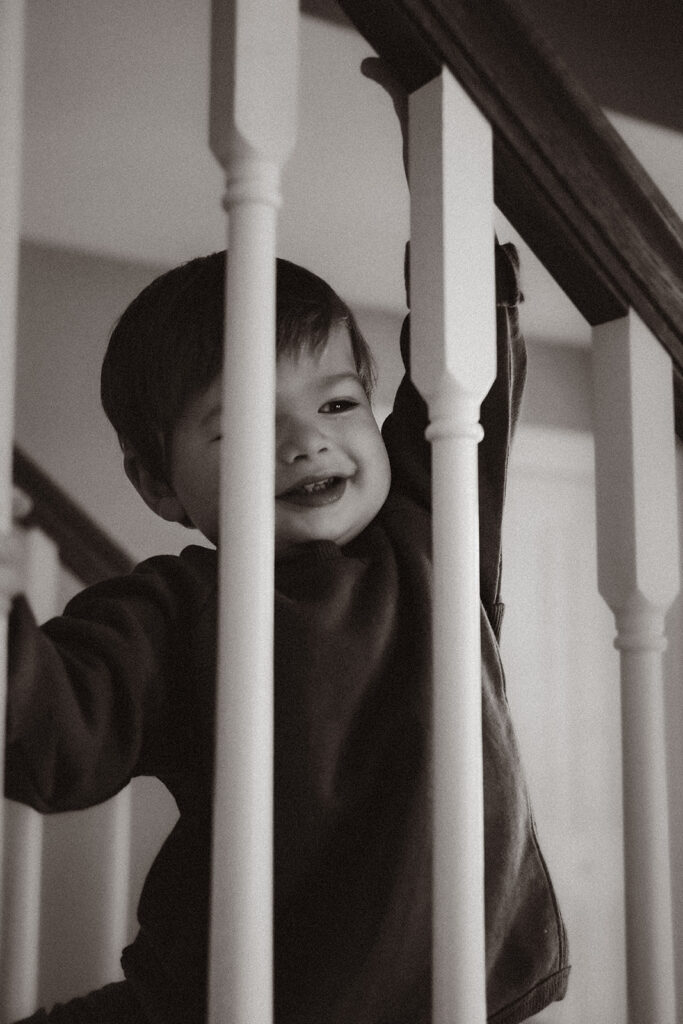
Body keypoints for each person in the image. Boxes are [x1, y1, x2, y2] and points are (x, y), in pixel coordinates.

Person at [5, 65, 569, 1024]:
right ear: (158, 485)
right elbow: (57, 736)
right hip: (227, 995)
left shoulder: (428, 527)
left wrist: (431, 127)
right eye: (239, 427)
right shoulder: (172, 611)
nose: (308, 439)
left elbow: (463, 354)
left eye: (339, 402)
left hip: (468, 984)